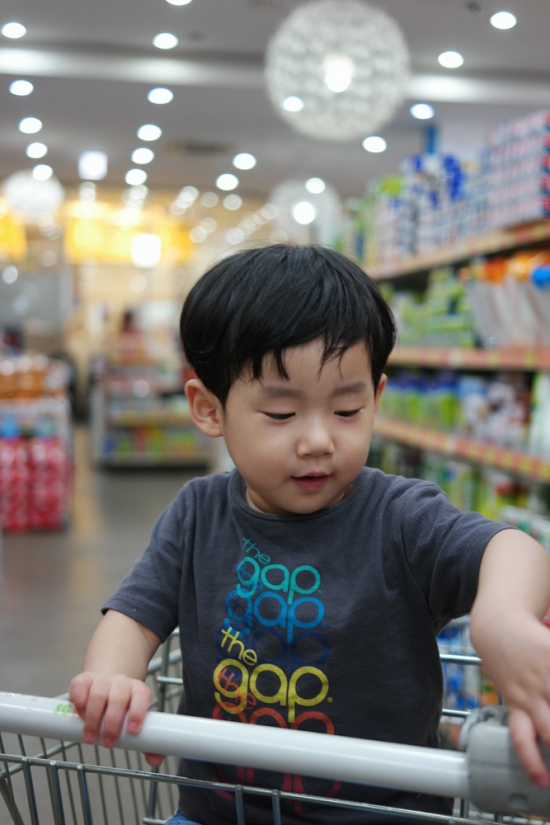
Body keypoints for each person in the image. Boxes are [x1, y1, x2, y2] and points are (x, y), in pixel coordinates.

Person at [69, 245, 550, 825]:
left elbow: (511, 547)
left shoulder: (400, 517)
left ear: (376, 399)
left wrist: (502, 618)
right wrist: (113, 677)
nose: (319, 441)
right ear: (209, 409)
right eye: (281, 415)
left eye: (347, 411)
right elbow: (134, 616)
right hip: (217, 814)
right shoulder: (197, 514)